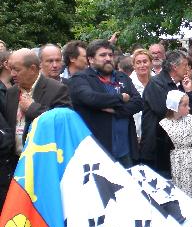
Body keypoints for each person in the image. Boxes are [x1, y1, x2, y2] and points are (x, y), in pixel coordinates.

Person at [2, 49, 71, 210]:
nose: (12, 74)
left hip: (43, 167)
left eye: (17, 69)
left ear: (33, 69)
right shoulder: (11, 93)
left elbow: (62, 125)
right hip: (16, 165)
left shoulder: (57, 89)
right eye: (11, 69)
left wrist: (33, 108)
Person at [69, 40, 143, 167]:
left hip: (125, 149)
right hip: (97, 150)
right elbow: (90, 98)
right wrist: (120, 98)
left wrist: (116, 111)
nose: (108, 58)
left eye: (110, 55)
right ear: (91, 59)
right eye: (103, 55)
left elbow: (138, 102)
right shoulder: (81, 78)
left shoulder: (122, 77)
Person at [140, 50, 192, 176]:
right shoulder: (156, 84)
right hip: (158, 150)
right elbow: (166, 113)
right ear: (174, 67)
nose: (188, 68)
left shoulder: (181, 84)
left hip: (176, 150)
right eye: (185, 65)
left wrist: (189, 92)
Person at [160, 90, 192, 205]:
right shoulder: (164, 125)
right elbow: (162, 151)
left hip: (191, 161)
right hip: (175, 164)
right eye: (185, 105)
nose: (189, 108)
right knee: (179, 193)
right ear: (174, 106)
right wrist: (166, 173)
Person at [130, 49, 153, 139]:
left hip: (154, 131)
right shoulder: (128, 83)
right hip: (135, 132)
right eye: (138, 62)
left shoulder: (157, 82)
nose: (142, 65)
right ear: (134, 66)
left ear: (150, 63)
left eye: (145, 61)